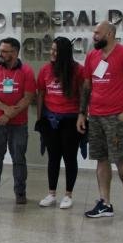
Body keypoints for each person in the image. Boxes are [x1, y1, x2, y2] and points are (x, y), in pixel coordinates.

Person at [77, 21, 123, 221]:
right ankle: (105, 203)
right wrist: (82, 113)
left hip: (116, 118)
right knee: (101, 159)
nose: (94, 36)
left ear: (110, 33)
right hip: (95, 117)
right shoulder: (92, 56)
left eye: (97, 33)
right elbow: (87, 86)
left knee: (121, 159)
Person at [0, 37, 36, 204]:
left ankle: (20, 193)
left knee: (19, 159)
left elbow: (28, 98)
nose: (1, 54)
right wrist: (4, 108)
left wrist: (8, 115)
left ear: (15, 52)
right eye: (0, 50)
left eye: (5, 51)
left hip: (18, 125)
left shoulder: (27, 72)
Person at [36, 37, 84, 209]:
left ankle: (68, 195)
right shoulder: (45, 70)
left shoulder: (78, 70)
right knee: (53, 158)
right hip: (50, 120)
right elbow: (41, 94)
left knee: (70, 158)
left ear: (65, 53)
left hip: (71, 120)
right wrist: (40, 118)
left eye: (56, 50)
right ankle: (51, 194)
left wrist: (83, 115)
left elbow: (84, 94)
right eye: (52, 49)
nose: (53, 53)